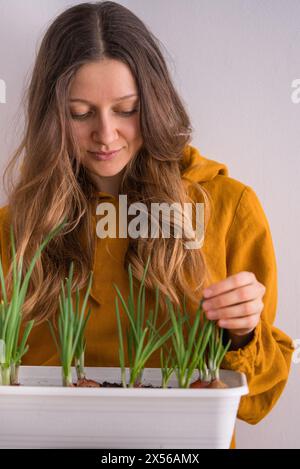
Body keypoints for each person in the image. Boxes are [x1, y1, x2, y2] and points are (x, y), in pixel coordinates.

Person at [0, 1, 294, 448]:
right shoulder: (15, 230)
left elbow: (260, 400)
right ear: (51, 116)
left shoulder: (226, 208)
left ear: (154, 103)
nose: (106, 134)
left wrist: (244, 332)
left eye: (127, 109)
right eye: (80, 113)